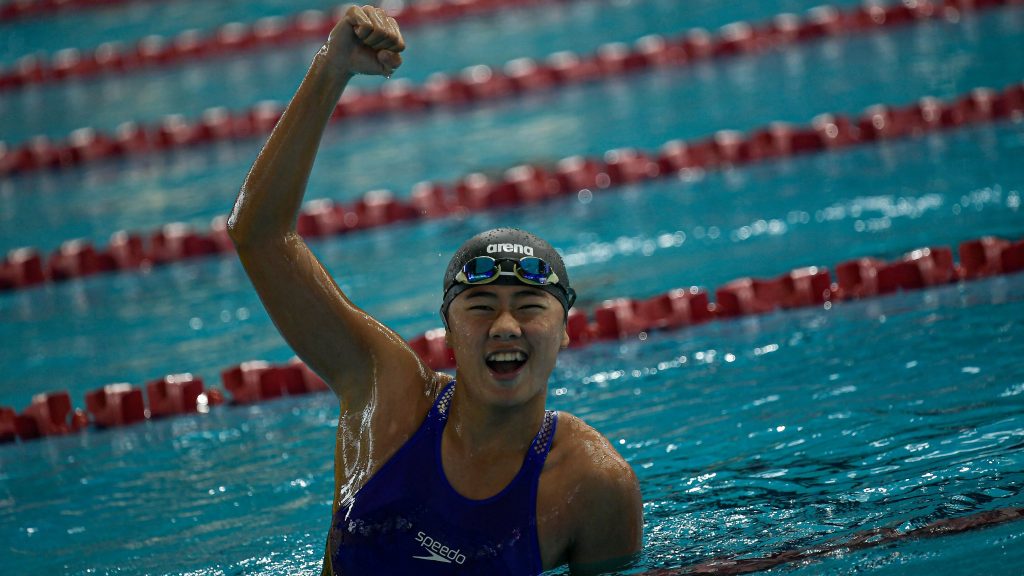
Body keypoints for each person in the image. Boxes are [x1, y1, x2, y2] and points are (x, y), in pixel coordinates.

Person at [228, 5, 643, 574]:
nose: (505, 326)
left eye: (528, 307)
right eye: (481, 306)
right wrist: (331, 68)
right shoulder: (386, 394)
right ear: (447, 329)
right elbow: (258, 236)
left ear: (566, 331)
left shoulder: (592, 483)